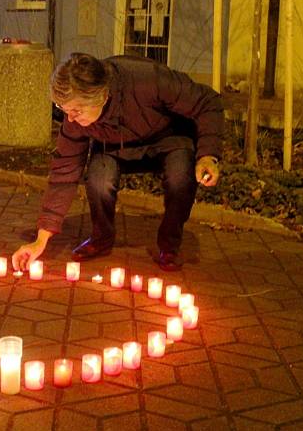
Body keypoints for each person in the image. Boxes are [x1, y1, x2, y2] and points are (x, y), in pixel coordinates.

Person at [12, 52, 223, 272]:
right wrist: (41, 239)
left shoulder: (148, 80)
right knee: (98, 178)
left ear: (102, 96)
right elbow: (64, 170)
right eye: (63, 110)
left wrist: (208, 155)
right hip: (115, 145)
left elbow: (207, 101)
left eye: (76, 110)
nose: (71, 119)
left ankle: (170, 245)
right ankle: (101, 238)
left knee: (181, 177)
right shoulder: (75, 118)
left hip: (168, 138)